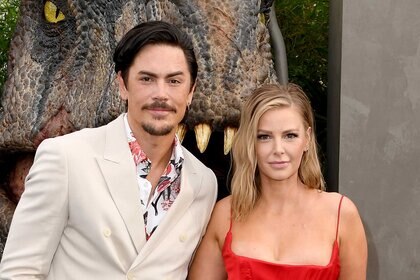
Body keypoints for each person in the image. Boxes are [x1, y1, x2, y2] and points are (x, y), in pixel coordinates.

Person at [0, 21, 218, 279]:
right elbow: (20, 271)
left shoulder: (203, 182)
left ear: (190, 92)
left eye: (174, 81)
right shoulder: (66, 157)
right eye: (147, 79)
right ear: (123, 85)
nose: (161, 94)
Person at [188, 83, 367, 280]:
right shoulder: (225, 214)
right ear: (250, 142)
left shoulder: (341, 214)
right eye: (264, 137)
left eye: (290, 135)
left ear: (307, 139)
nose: (278, 149)